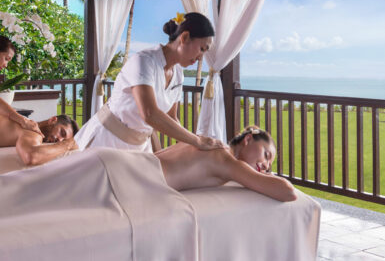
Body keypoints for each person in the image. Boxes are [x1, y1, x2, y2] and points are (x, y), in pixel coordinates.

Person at [75, 12, 226, 153]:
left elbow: (171, 117)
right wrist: (197, 141)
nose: (201, 57)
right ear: (184, 37)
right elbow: (149, 114)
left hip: (138, 145)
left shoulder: (178, 73)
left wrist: (192, 145)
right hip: (106, 139)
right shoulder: (144, 61)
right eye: (202, 49)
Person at [156, 125, 297, 202]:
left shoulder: (208, 143)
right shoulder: (227, 161)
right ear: (248, 139)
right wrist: (268, 176)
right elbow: (289, 192)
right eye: (266, 155)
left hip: (144, 164)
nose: (266, 166)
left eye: (268, 166)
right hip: (145, 180)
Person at [0, 113, 78, 166]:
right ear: (52, 120)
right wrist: (67, 145)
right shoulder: (32, 131)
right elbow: (30, 157)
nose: (59, 140)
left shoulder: (24, 122)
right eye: (62, 132)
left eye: (63, 140)